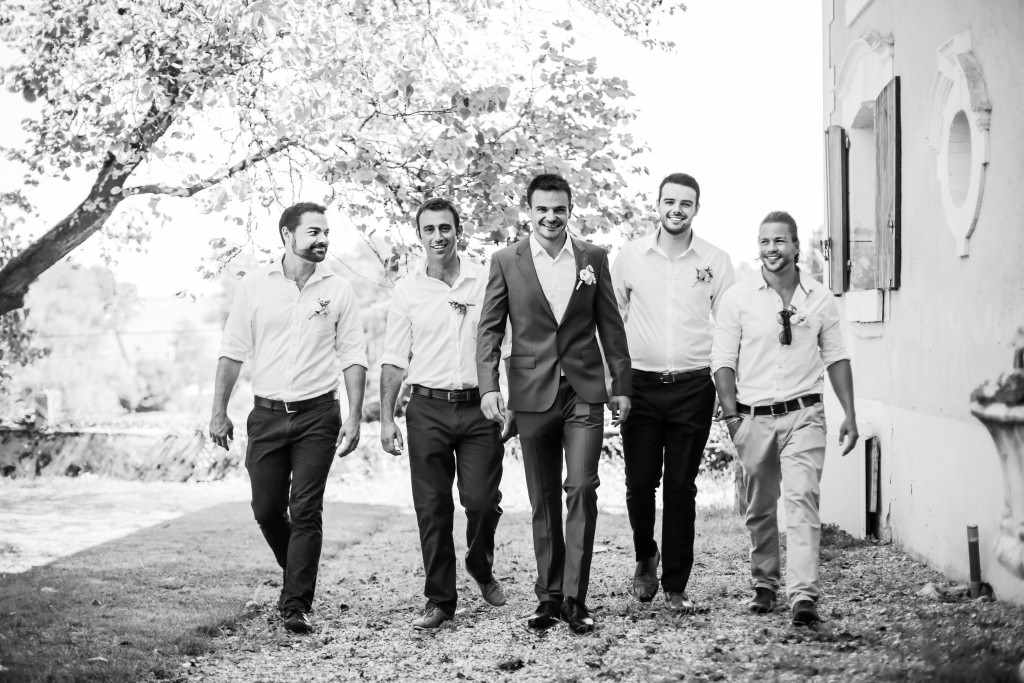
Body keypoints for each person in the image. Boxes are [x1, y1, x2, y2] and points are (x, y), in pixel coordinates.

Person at [477, 173, 632, 634]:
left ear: (570, 210)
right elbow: (489, 328)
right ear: (529, 211)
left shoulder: (593, 259)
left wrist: (621, 385)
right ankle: (548, 597)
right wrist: (488, 386)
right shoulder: (506, 261)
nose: (550, 217)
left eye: (558, 209)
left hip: (583, 391)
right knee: (542, 497)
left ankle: (574, 600)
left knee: (581, 487)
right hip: (531, 394)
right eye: (542, 209)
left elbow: (611, 326)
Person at [209, 202, 367, 634]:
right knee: (265, 509)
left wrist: (354, 416)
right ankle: (297, 568)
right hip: (266, 415)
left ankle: (296, 604)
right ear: (287, 234)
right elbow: (232, 351)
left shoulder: (339, 289)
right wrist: (218, 411)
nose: (322, 239)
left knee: (306, 508)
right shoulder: (255, 286)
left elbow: (353, 354)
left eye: (326, 232)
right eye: (313, 232)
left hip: (319, 414)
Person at [711, 210, 858, 627]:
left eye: (779, 241)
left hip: (804, 415)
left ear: (795, 246)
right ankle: (764, 583)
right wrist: (733, 419)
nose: (771, 249)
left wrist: (850, 413)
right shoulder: (738, 298)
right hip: (753, 417)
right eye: (764, 241)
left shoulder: (820, 298)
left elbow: (836, 356)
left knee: (802, 499)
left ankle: (803, 595)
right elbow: (722, 361)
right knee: (760, 508)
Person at [379, 198, 506, 630]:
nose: (438, 236)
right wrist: (386, 419)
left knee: (482, 502)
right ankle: (440, 600)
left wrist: (508, 398)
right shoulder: (407, 290)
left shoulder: (485, 280)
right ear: (419, 235)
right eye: (429, 229)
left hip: (480, 407)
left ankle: (480, 563)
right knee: (432, 507)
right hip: (427, 409)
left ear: (458, 231)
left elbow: (505, 343)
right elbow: (394, 358)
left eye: (445, 228)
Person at [611, 173, 735, 611]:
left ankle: (676, 583)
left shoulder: (716, 261)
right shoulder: (630, 257)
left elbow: (729, 326)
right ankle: (645, 555)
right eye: (669, 201)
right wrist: (615, 383)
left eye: (685, 203)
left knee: (681, 487)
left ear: (696, 208)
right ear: (658, 205)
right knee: (640, 483)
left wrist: (724, 386)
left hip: (693, 387)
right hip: (640, 387)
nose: (676, 209)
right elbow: (612, 321)